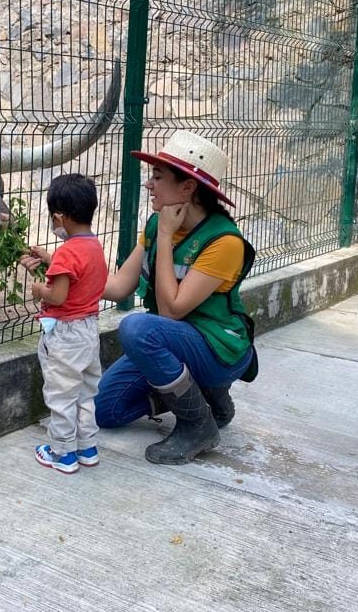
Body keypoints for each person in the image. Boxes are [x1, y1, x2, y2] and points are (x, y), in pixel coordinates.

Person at [96, 130, 257, 465]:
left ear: (187, 188)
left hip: (217, 349)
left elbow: (171, 311)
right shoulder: (156, 225)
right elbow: (118, 287)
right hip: (173, 343)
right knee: (106, 409)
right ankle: (206, 400)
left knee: (137, 328)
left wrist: (167, 235)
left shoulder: (225, 242)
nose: (148, 184)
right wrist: (64, 270)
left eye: (157, 177)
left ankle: (197, 425)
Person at [19, 173, 109, 474]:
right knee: (85, 394)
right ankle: (87, 448)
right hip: (88, 332)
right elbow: (79, 274)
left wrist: (37, 289)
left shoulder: (67, 254)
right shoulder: (94, 247)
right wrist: (51, 258)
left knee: (60, 396)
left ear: (60, 216)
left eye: (52, 218)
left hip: (65, 335)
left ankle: (62, 454)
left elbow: (56, 297)